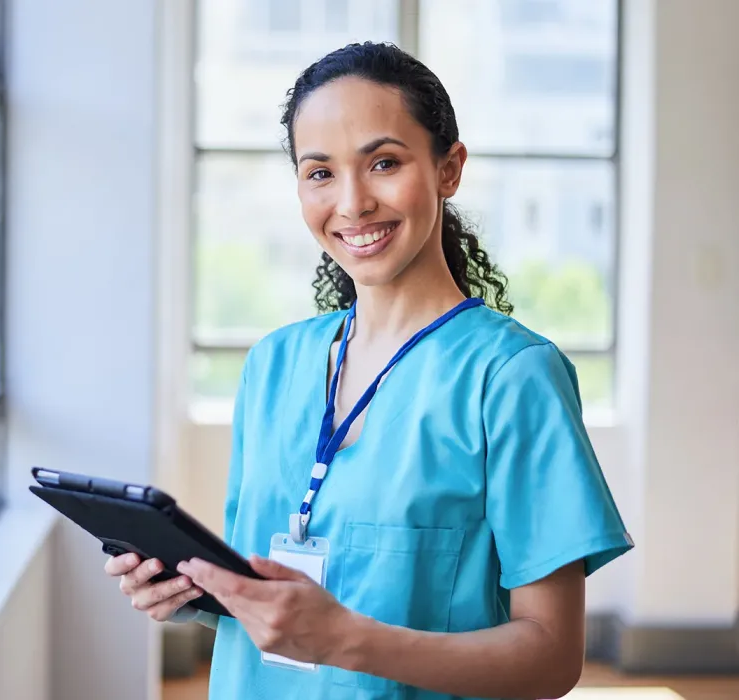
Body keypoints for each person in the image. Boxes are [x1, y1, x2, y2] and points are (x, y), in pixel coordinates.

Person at [105, 41, 633, 699]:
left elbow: (552, 659)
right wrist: (203, 593)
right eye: (319, 172)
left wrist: (344, 639)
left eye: (383, 162)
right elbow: (286, 594)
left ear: (449, 169)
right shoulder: (274, 364)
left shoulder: (512, 377)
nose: (352, 203)